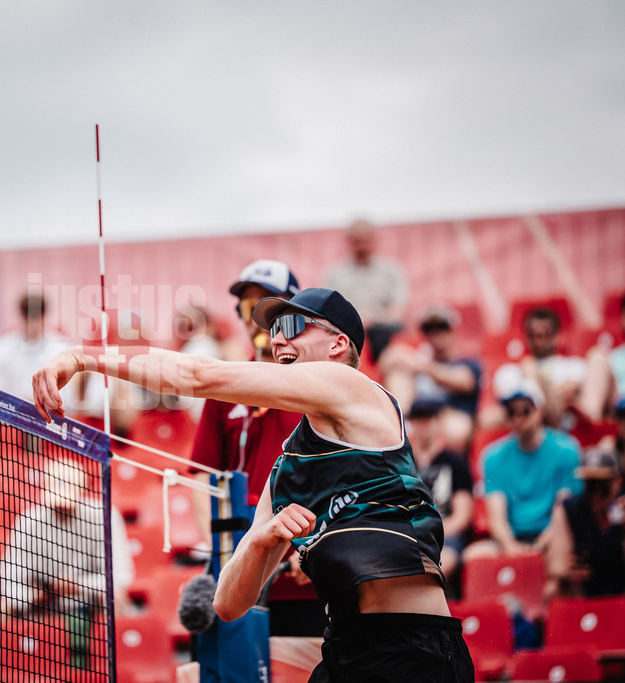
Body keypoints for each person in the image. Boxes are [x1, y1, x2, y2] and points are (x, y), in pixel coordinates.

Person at [33, 287, 473, 682]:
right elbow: (228, 604)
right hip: (344, 648)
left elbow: (202, 377)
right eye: (273, 329)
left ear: (339, 344)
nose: (277, 338)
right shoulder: (289, 466)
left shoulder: (351, 387)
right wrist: (262, 539)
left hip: (414, 647)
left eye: (292, 326)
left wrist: (84, 357)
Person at [187, 259, 322, 636]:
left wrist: (318, 543)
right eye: (250, 307)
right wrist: (220, 553)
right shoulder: (225, 388)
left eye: (272, 306)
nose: (259, 319)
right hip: (240, 576)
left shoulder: (319, 386)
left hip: (307, 582)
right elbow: (202, 477)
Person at [0, 458, 134, 668]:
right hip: (42, 604)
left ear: (82, 492)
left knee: (118, 599)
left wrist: (78, 586)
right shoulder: (29, 522)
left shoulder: (102, 515)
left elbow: (121, 577)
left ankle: (117, 668)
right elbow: (9, 582)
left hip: (90, 601)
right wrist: (38, 595)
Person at [463, 380, 582, 563]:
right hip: (513, 538)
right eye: (512, 412)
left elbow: (564, 511)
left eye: (526, 410)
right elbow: (497, 516)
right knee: (474, 557)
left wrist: (540, 545)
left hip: (554, 537)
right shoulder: (493, 456)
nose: (519, 417)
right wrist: (511, 546)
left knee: (560, 560)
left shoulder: (567, 450)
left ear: (540, 410)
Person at [379, 304, 483, 456]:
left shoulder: (467, 362)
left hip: (449, 417)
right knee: (398, 374)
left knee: (457, 429)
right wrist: (403, 358)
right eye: (430, 330)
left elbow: (465, 381)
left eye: (442, 328)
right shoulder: (419, 360)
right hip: (418, 415)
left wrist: (420, 365)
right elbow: (387, 360)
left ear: (451, 331)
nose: (436, 335)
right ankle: (401, 422)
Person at [321, 219, 409, 362]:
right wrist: (356, 321)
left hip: (384, 339)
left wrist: (373, 319)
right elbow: (326, 314)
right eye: (357, 241)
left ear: (374, 240)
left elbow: (398, 312)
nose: (361, 246)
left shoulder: (392, 271)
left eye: (366, 240)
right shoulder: (333, 274)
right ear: (348, 241)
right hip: (345, 339)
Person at [544, 446, 625, 600]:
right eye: (591, 484)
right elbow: (557, 566)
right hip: (584, 588)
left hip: (619, 586)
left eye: (603, 486)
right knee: (553, 589)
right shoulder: (570, 508)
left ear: (618, 482)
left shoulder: (621, 508)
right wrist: (568, 572)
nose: (596, 493)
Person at [407, 398, 474, 583]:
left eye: (428, 418)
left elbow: (462, 517)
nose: (423, 425)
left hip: (445, 535)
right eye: (418, 419)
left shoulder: (455, 463)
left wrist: (431, 530)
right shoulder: (404, 463)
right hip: (409, 533)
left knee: (446, 560)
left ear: (438, 421)